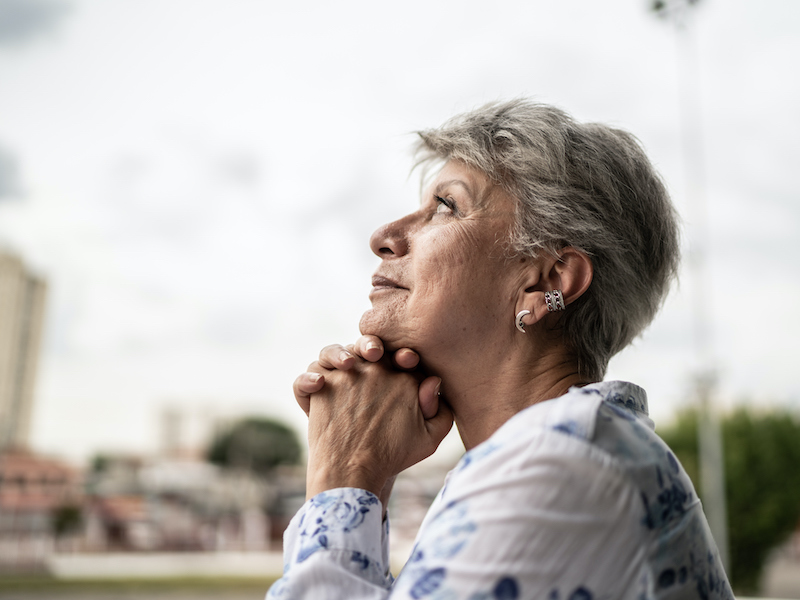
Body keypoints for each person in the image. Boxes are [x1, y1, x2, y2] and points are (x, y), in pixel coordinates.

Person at [267, 100, 732, 599]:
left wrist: (345, 476)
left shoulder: (555, 464)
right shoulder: (577, 452)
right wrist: (370, 482)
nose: (384, 237)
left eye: (446, 206)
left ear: (547, 283)